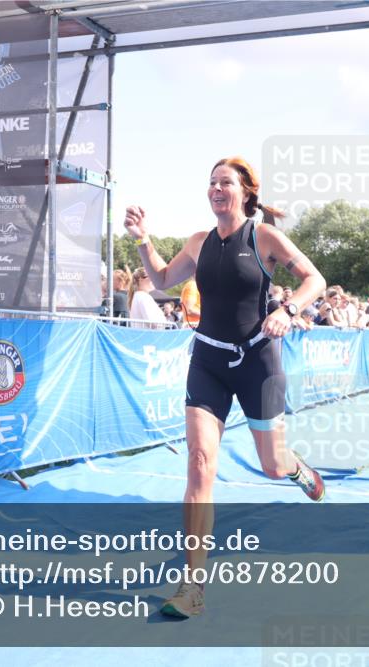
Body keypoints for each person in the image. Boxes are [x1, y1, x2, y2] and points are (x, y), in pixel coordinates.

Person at [123, 156, 327, 619]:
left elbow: (315, 279)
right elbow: (160, 279)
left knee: (272, 465)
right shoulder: (198, 242)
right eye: (211, 182)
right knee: (198, 466)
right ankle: (193, 587)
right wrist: (142, 241)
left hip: (258, 360)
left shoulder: (265, 237)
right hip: (209, 361)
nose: (216, 188)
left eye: (225, 182)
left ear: (246, 193)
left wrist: (288, 311)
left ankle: (299, 471)